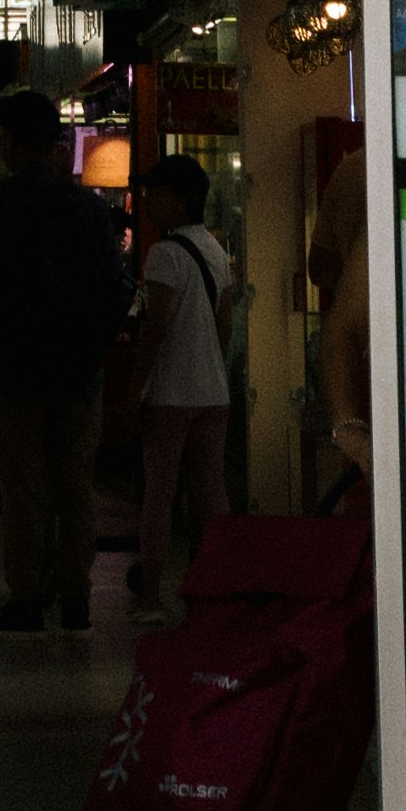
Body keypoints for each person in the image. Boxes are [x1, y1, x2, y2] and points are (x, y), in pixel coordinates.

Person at [0, 88, 126, 634]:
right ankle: (76, 596)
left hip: (14, 363)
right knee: (76, 485)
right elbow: (114, 283)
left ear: (8, 143)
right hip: (78, 367)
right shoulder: (89, 210)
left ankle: (28, 598)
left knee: (26, 487)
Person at [122, 153, 233, 620]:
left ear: (179, 200)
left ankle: (149, 594)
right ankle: (215, 588)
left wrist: (135, 388)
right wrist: (214, 367)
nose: (147, 201)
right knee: (211, 491)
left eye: (156, 193)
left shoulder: (164, 253)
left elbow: (156, 327)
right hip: (213, 392)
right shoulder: (214, 248)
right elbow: (225, 323)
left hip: (170, 392)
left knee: (160, 494)